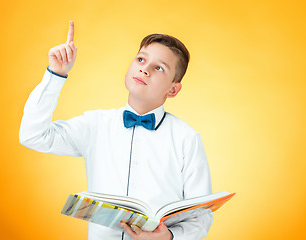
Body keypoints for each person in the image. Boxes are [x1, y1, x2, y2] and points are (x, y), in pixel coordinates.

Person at [19, 20, 214, 240]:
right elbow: (33, 136)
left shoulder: (186, 138)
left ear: (173, 89)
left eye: (159, 68)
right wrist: (56, 74)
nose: (144, 69)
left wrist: (169, 237)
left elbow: (201, 215)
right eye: (141, 59)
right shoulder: (96, 124)